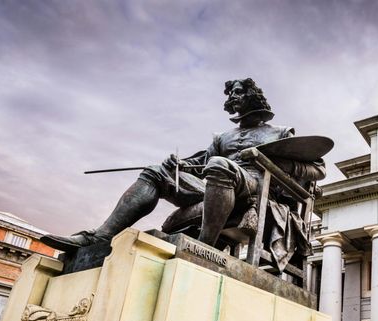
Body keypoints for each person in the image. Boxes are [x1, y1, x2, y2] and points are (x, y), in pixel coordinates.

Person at [41, 78, 325, 262]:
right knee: (155, 171)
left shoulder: (279, 132)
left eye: (238, 92)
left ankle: (204, 247)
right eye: (231, 94)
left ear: (253, 96)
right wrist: (180, 166)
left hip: (253, 187)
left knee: (219, 165)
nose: (234, 97)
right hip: (216, 181)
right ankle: (101, 236)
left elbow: (318, 170)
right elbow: (203, 165)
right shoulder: (222, 137)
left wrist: (277, 163)